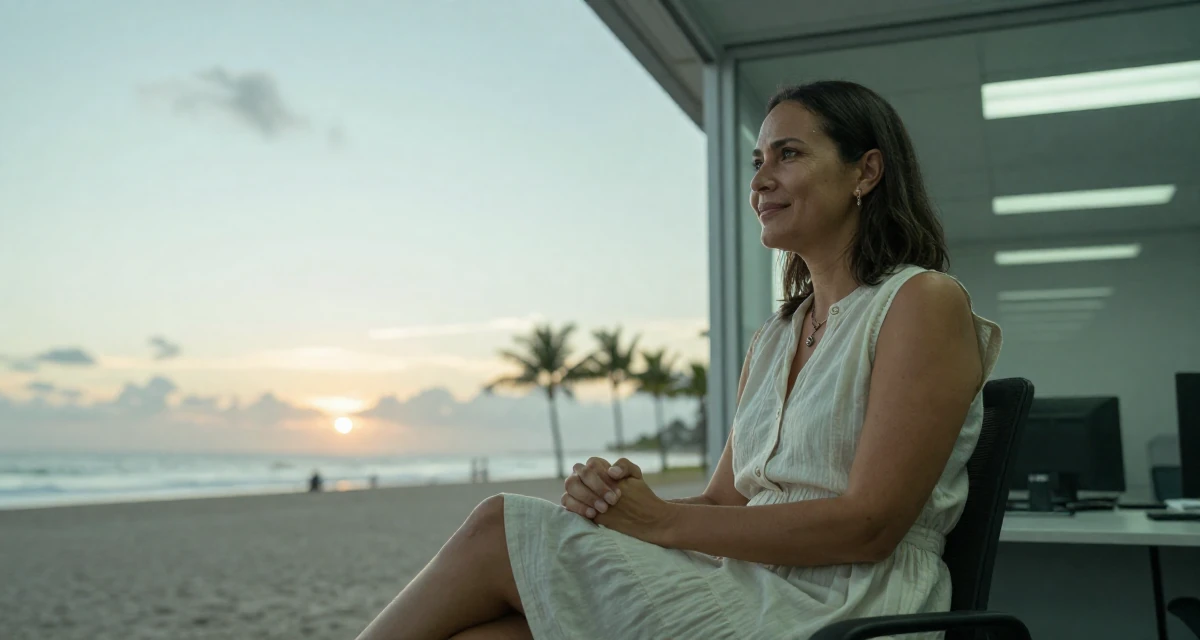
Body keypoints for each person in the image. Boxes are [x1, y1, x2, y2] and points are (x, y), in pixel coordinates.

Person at [354, 80, 1002, 640]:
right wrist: (623, 505)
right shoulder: (776, 337)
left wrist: (661, 522)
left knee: (499, 525)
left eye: (789, 154)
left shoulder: (920, 302)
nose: (760, 180)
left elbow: (870, 526)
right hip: (749, 586)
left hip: (845, 609)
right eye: (758, 160)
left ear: (865, 172)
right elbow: (726, 501)